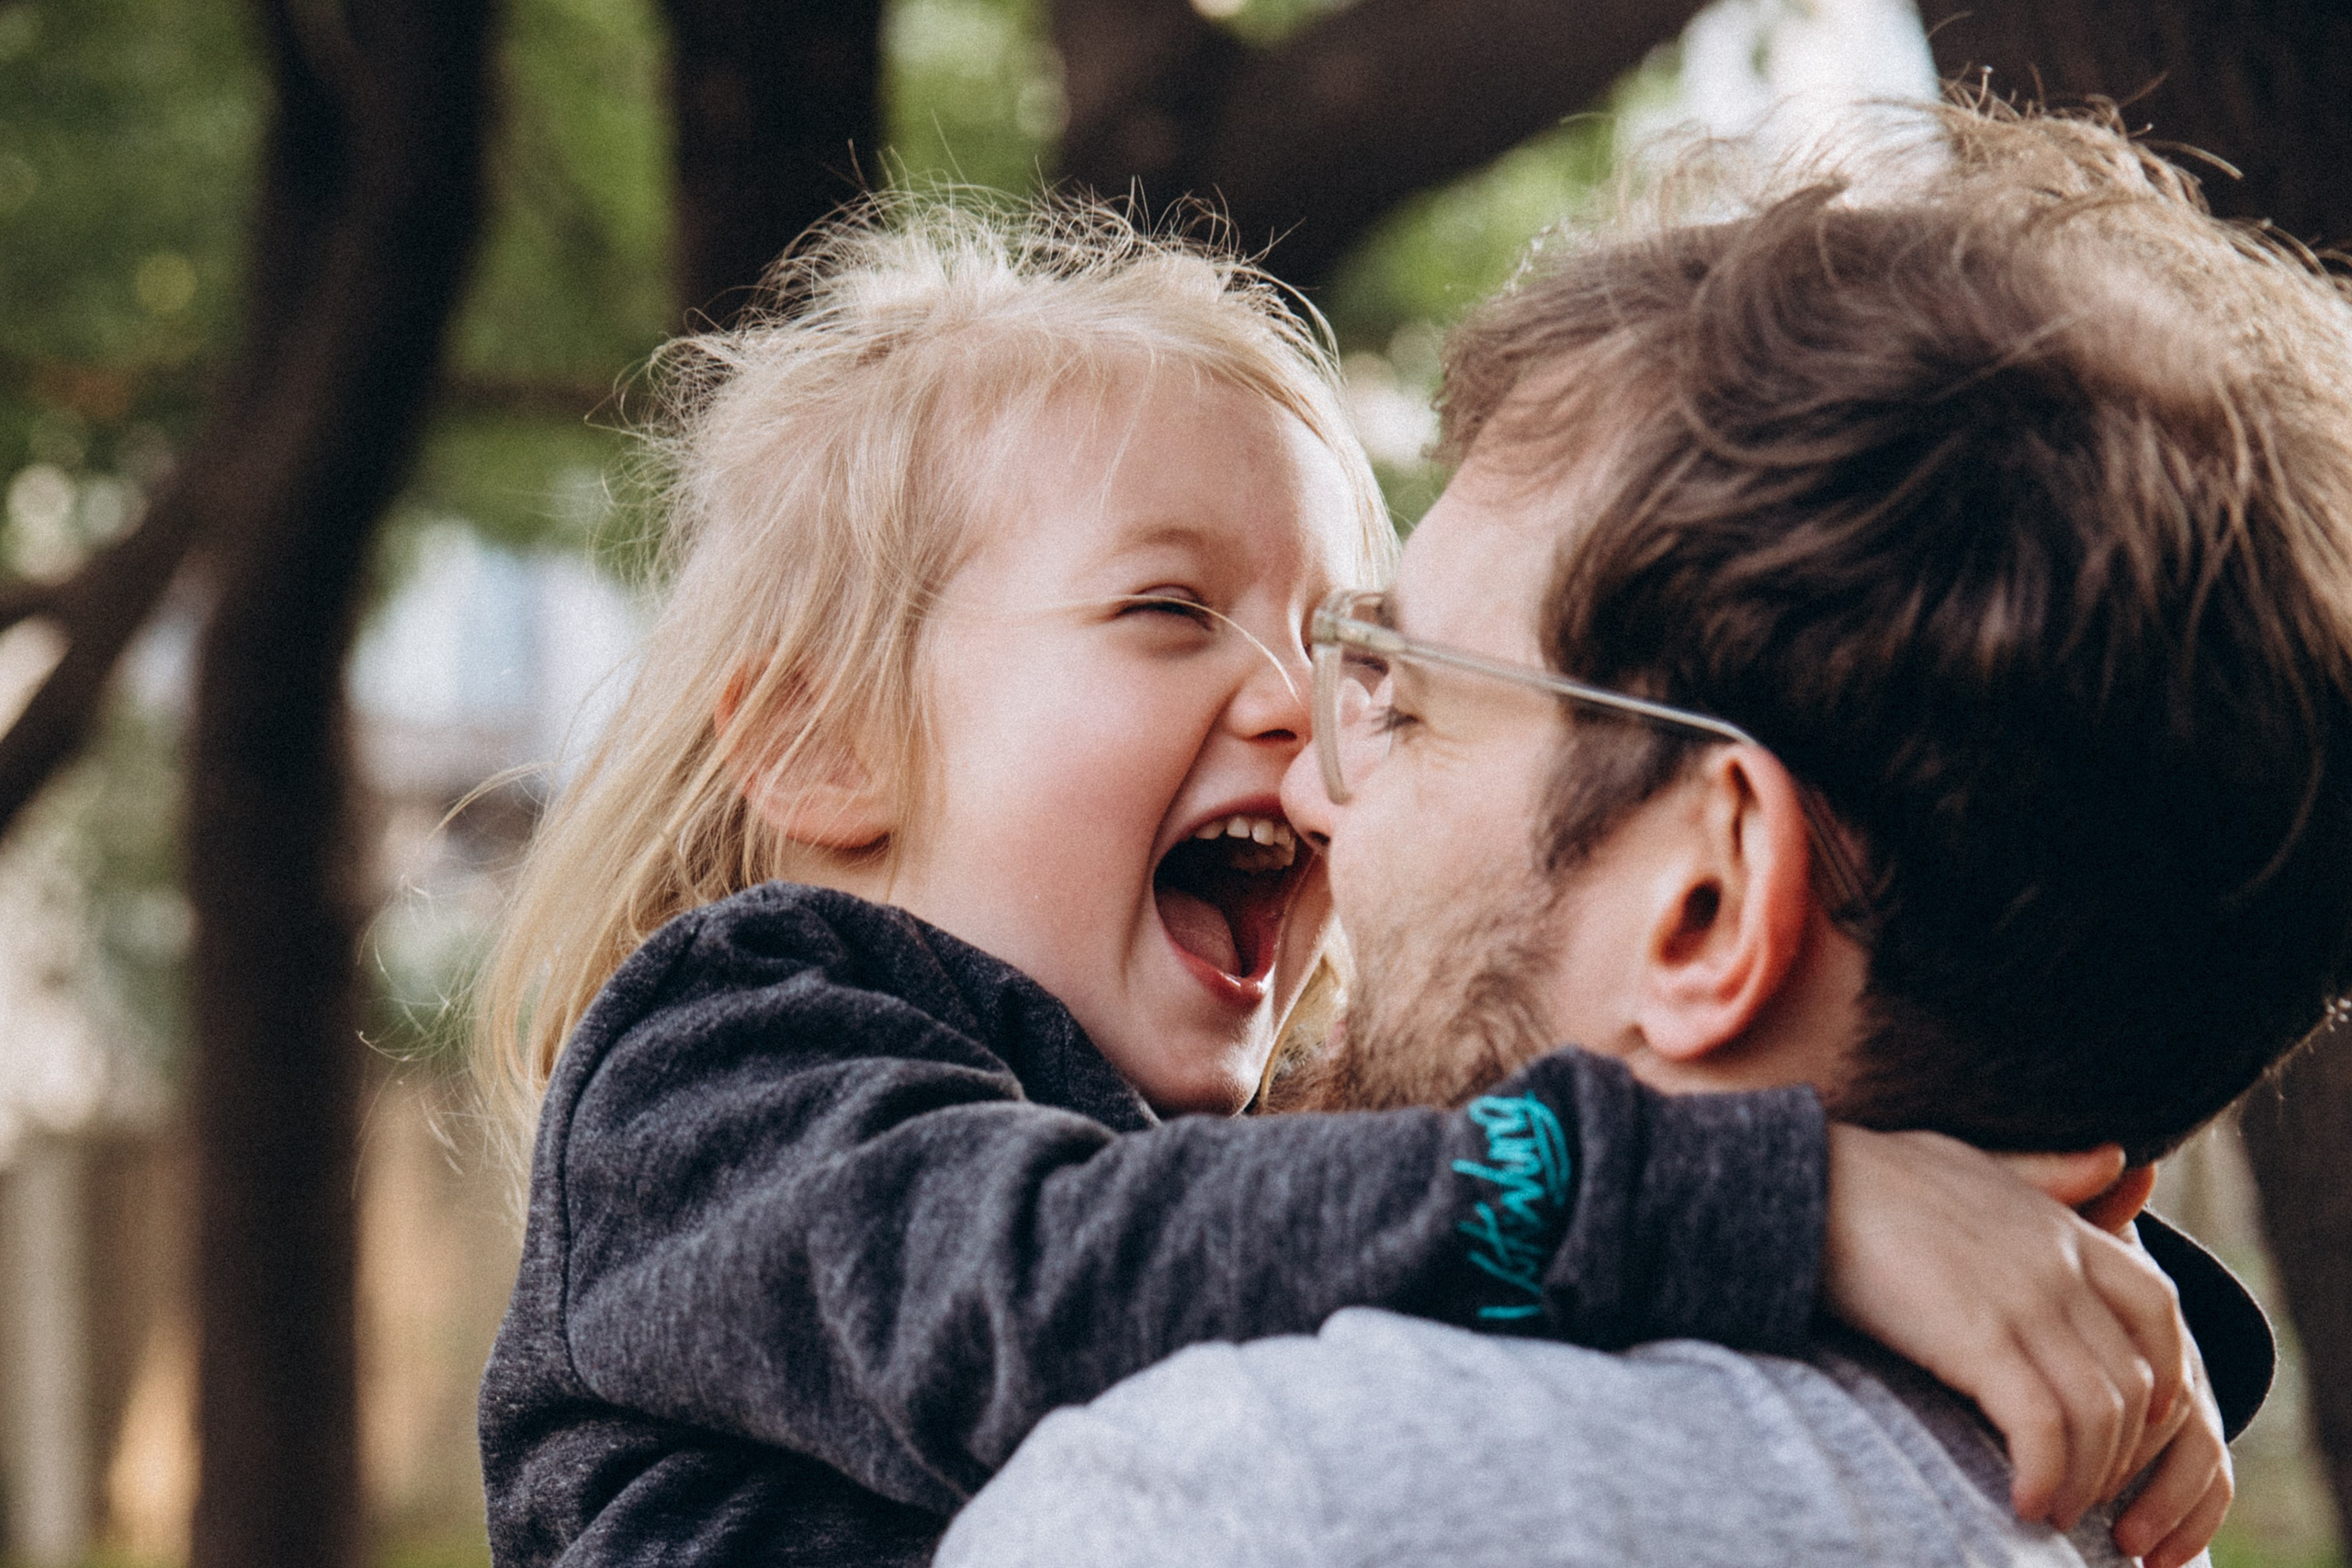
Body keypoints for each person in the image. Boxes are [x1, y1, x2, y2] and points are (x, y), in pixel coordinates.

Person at [472, 197, 2212, 1567]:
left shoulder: (1223, 1169)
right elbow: (1051, 1287)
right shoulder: (710, 1078)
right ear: (824, 742)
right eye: (1168, 610)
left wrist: (2098, 1310)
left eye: (1345, 645)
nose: (1309, 716)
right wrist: (1795, 1206)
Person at [933, 101, 2352, 1568]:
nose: (1311, 787)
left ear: (1705, 907)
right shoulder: (2081, 1516)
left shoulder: (1250, 1498)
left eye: (1410, 704)